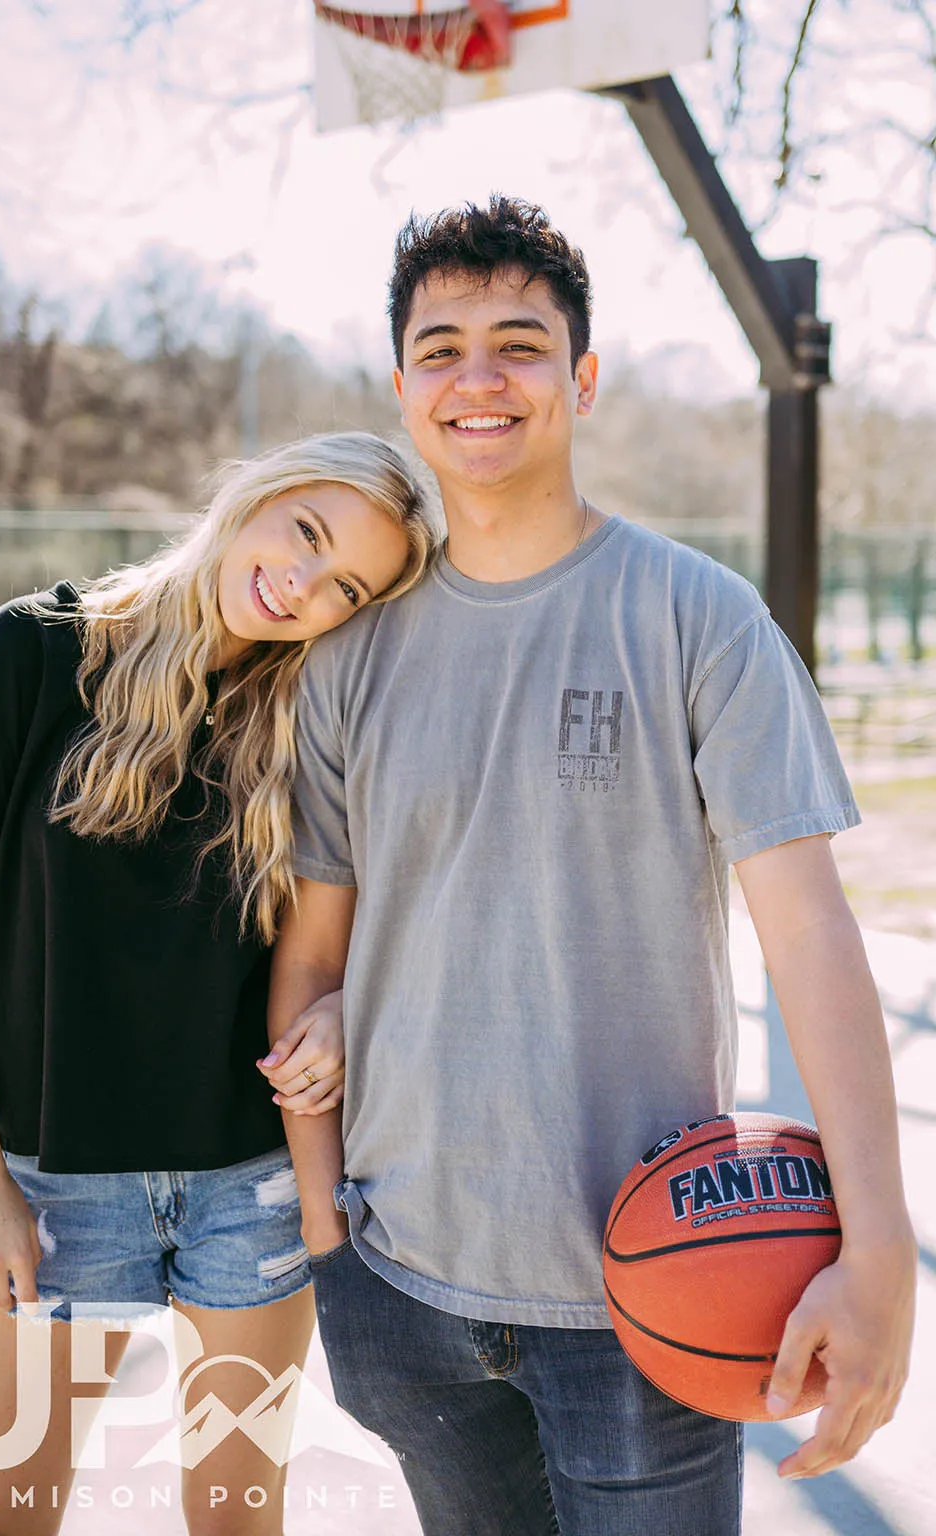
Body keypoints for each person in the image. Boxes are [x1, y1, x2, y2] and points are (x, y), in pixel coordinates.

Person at [263, 200, 917, 1535]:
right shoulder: (350, 656)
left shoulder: (697, 618)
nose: (480, 377)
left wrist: (881, 1247)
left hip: (653, 1289)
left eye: (521, 341)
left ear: (583, 377)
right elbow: (312, 958)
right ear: (403, 388)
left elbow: (809, 937)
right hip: (403, 1287)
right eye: (441, 348)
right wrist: (332, 1247)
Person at [0, 431, 434, 1536]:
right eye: (306, 531)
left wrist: (347, 1010)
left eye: (346, 586)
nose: (303, 583)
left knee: (236, 1517)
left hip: (250, 1190)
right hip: (53, 1188)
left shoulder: (318, 719)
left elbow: (360, 934)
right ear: (257, 494)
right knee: (3, 1516)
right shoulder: (31, 656)